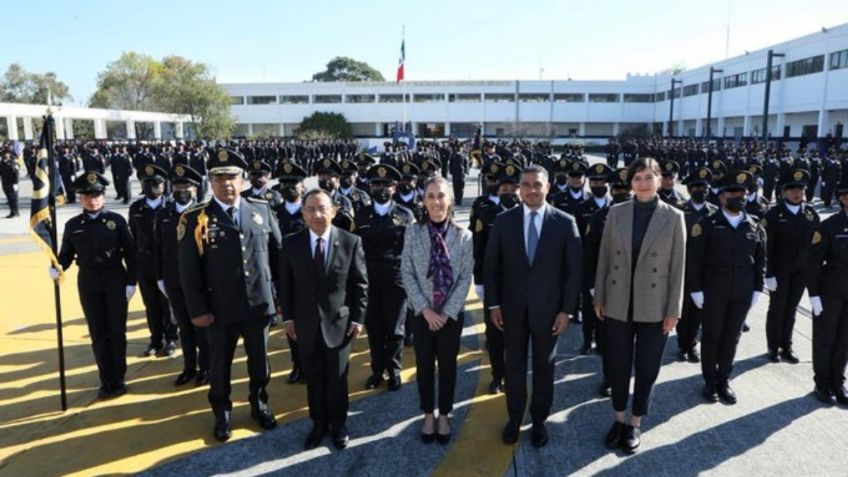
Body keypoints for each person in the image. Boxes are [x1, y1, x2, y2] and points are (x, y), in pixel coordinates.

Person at [179, 148, 282, 442]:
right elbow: (189, 270)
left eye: (232, 177)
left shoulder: (261, 210)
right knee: (219, 365)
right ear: (211, 182)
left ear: (243, 179)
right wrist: (197, 309)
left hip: (259, 306)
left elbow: (278, 258)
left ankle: (259, 404)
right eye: (220, 177)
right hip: (219, 309)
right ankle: (221, 413)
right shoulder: (196, 218)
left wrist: (282, 299)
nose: (227, 183)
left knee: (260, 363)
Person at [484, 164, 582, 448]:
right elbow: (491, 268)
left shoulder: (565, 222)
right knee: (513, 368)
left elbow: (573, 272)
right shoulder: (504, 221)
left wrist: (567, 310)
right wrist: (493, 305)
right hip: (512, 312)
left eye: (537, 184)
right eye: (525, 185)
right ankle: (514, 418)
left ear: (548, 187)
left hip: (550, 313)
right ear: (519, 188)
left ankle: (539, 420)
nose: (531, 190)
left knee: (544, 368)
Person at [593, 157, 686, 453]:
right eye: (637, 178)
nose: (643, 183)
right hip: (618, 302)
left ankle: (635, 422)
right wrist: (599, 297)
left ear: (659, 179)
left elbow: (678, 267)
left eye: (648, 177)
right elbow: (605, 257)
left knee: (646, 368)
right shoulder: (616, 212)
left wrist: (674, 310)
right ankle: (618, 419)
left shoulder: (673, 216)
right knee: (618, 366)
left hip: (655, 306)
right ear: (630, 182)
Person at [280, 189, 368, 451]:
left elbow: (360, 285)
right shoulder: (291, 243)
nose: (317, 215)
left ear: (334, 211)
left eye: (322, 209)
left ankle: (339, 425)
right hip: (305, 324)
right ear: (303, 212)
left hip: (339, 325)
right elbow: (285, 286)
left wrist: (358, 318)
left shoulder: (350, 241)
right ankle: (318, 424)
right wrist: (288, 319)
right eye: (310, 209)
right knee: (314, 377)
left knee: (338, 378)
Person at [401, 175, 473, 444]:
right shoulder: (412, 231)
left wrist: (445, 312)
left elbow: (466, 276)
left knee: (448, 366)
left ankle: (444, 414)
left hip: (450, 316)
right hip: (422, 315)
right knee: (424, 366)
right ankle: (428, 413)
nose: (436, 202)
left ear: (450, 200)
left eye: (441, 196)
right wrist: (425, 310)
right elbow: (406, 273)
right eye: (430, 196)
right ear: (423, 200)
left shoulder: (463, 235)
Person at [52, 171, 137, 399]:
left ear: (103, 196)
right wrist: (57, 266)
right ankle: (105, 379)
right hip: (89, 283)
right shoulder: (73, 225)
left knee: (117, 332)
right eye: (88, 195)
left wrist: (131, 281)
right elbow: (66, 255)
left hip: (115, 281)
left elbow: (131, 253)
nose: (93, 199)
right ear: (81, 198)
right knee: (98, 333)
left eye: (97, 194)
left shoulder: (116, 221)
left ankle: (118, 378)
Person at [687, 171, 765, 404]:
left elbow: (761, 260)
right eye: (732, 193)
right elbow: (694, 260)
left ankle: (724, 380)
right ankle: (710, 382)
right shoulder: (707, 224)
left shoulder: (754, 225)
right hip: (713, 289)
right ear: (721, 197)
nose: (738, 197)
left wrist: (757, 289)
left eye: (741, 193)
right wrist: (695, 289)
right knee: (712, 336)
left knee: (732, 337)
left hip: (742, 291)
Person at [356, 165, 415, 391]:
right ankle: (377, 370)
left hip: (396, 278)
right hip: (369, 278)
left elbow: (410, 251)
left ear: (394, 187)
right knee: (374, 327)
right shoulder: (361, 215)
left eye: (386, 185)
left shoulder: (405, 214)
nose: (381, 188)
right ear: (370, 187)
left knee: (396, 327)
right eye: (376, 184)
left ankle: (394, 370)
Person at [153, 164, 209, 386]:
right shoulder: (163, 214)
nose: (181, 189)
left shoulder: (204, 213)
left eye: (186, 185)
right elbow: (157, 248)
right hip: (173, 279)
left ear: (195, 189)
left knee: (201, 326)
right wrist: (159, 278)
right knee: (184, 326)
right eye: (177, 185)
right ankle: (189, 366)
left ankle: (206, 367)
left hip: (199, 280)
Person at [473, 164, 521, 394]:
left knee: (518, 336)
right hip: (495, 285)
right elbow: (479, 250)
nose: (509, 191)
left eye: (513, 187)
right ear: (498, 189)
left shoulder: (529, 213)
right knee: (494, 335)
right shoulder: (487, 215)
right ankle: (497, 375)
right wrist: (479, 282)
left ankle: (513, 374)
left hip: (521, 287)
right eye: (504, 187)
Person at [763, 169, 820, 363]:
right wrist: (768, 273)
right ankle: (773, 346)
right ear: (783, 192)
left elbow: (816, 246)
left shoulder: (811, 214)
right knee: (777, 308)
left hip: (801, 270)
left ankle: (786, 345)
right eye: (792, 189)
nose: (797, 193)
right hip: (780, 270)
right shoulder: (773, 214)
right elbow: (767, 247)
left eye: (801, 189)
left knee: (792, 308)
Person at [805, 176, 848, 406]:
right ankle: (822, 383)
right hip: (831, 292)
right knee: (825, 339)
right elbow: (813, 264)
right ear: (843, 199)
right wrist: (814, 295)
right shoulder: (829, 226)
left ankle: (838, 382)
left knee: (844, 341)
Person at [130, 164, 176, 357]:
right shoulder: (136, 208)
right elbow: (133, 234)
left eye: (157, 183)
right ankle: (155, 339)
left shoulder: (171, 207)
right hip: (145, 263)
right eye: (148, 184)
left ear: (164, 185)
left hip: (167, 263)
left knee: (168, 303)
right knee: (150, 303)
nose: (153, 187)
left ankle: (171, 339)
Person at [272, 160, 310, 383]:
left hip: (309, 277)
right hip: (284, 279)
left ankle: (310, 364)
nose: (289, 188)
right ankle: (297, 365)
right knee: (291, 324)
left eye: (293, 184)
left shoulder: (310, 212)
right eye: (284, 184)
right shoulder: (272, 213)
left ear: (302, 186)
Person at [676, 167, 718, 362]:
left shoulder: (715, 212)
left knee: (699, 310)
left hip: (707, 270)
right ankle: (683, 345)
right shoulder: (679, 211)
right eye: (698, 187)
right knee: (684, 310)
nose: (702, 191)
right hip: (683, 268)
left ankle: (693, 344)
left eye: (705, 187)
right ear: (690, 189)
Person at [1, 148, 20, 218]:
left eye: (6, 153)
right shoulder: (2, 163)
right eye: (3, 153)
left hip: (12, 183)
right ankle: (13, 211)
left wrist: (16, 183)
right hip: (5, 183)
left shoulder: (13, 163)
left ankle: (15, 212)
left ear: (9, 154)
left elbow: (16, 173)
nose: (5, 155)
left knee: (13, 198)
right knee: (9, 198)